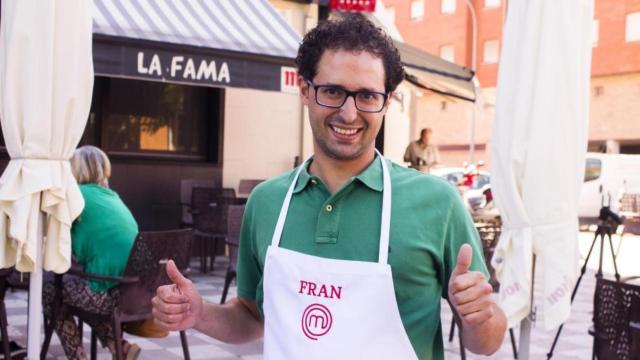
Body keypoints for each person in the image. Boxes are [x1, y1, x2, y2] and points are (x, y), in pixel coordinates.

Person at [152, 14, 506, 359]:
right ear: (305, 90)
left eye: (367, 96)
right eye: (333, 91)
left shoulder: (437, 204)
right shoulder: (267, 202)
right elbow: (251, 316)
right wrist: (200, 314)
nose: (349, 114)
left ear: (387, 100)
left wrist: (481, 313)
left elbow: (485, 344)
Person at [43, 145, 141, 360]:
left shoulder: (74, 197)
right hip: (133, 295)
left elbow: (56, 241)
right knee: (76, 292)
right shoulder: (113, 197)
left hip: (106, 294)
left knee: (51, 290)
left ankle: (78, 357)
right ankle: (119, 347)